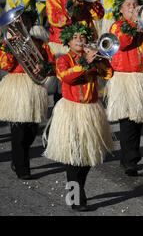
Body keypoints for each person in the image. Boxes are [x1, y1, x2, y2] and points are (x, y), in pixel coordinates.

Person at [43, 23, 114, 212]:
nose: (80, 41)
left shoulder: (92, 57)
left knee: (87, 158)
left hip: (91, 109)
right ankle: (76, 197)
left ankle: (78, 188)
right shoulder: (63, 59)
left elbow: (109, 73)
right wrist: (85, 63)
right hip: (71, 110)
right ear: (68, 41)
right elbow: (66, 77)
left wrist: (99, 59)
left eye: (83, 37)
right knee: (74, 157)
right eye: (76, 37)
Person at [105, 0, 143, 177]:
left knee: (138, 120)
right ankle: (130, 160)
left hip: (142, 77)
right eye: (129, 5)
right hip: (125, 78)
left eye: (135, 4)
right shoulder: (117, 26)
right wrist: (137, 27)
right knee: (128, 121)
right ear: (121, 10)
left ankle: (129, 158)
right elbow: (122, 43)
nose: (133, 7)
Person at [0, 7, 55, 180]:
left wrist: (43, 67)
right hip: (17, 85)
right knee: (19, 130)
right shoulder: (8, 43)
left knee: (31, 130)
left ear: (31, 25)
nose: (25, 25)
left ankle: (19, 159)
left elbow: (52, 65)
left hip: (35, 86)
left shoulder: (41, 43)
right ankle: (22, 167)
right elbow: (4, 65)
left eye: (27, 22)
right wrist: (11, 50)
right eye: (20, 22)